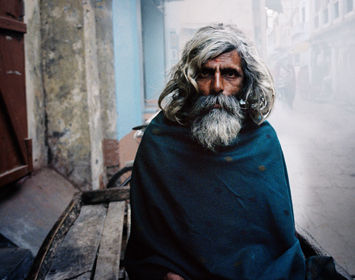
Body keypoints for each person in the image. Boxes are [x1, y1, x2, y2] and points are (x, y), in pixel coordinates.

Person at [124, 23, 307, 280]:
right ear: (190, 79)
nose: (218, 85)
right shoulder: (160, 139)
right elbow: (148, 241)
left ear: (245, 83)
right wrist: (164, 272)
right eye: (206, 73)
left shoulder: (263, 140)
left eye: (231, 74)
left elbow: (276, 237)